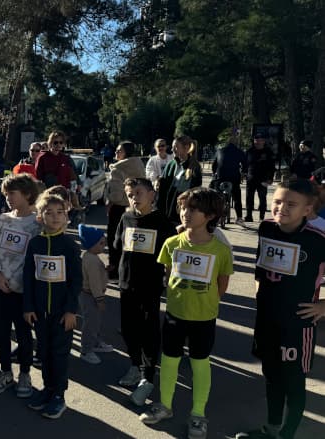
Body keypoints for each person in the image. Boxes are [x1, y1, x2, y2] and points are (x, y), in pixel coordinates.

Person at [140, 188, 233, 439]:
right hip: (174, 314)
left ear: (210, 215)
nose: (185, 213)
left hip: (204, 317)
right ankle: (165, 405)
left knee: (200, 363)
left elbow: (222, 284)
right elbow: (169, 273)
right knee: (169, 360)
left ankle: (198, 414)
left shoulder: (221, 250)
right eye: (183, 208)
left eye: (193, 209)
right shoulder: (172, 243)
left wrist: (206, 302)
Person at [235, 180, 325, 439]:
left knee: (293, 382)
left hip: (297, 324)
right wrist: (258, 291)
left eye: (291, 204)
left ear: (307, 209)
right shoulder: (266, 227)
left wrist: (322, 306)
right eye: (277, 201)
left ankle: (288, 434)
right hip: (267, 319)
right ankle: (271, 428)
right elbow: (260, 266)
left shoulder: (317, 240)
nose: (281, 208)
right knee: (272, 376)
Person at [113, 177, 177, 404]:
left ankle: (147, 375)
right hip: (126, 283)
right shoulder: (126, 217)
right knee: (128, 328)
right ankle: (134, 364)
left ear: (152, 194)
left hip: (149, 286)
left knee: (148, 330)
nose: (134, 198)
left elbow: (171, 255)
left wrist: (168, 280)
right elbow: (118, 245)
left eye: (138, 193)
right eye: (130, 195)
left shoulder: (162, 222)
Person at [23, 193, 82, 419]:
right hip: (39, 312)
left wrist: (70, 310)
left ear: (66, 216)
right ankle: (47, 389)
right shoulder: (35, 243)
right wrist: (28, 307)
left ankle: (59, 394)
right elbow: (28, 276)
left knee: (59, 354)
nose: (55, 217)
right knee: (44, 353)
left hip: (61, 314)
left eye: (60, 212)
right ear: (40, 217)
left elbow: (76, 281)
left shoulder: (69, 245)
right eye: (49, 213)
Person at [0, 173, 41, 397]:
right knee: (0, 331)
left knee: (24, 334)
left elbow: (35, 259)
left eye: (12, 194)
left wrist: (17, 281)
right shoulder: (3, 219)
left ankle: (25, 373)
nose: (8, 198)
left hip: (23, 292)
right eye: (5, 194)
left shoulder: (37, 224)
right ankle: (5, 370)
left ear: (28, 194)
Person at [105, 141, 146, 278]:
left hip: (118, 207)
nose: (116, 153)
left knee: (115, 239)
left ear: (126, 152)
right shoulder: (139, 165)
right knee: (131, 241)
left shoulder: (118, 168)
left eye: (119, 150)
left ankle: (114, 269)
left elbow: (116, 194)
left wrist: (110, 201)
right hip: (136, 206)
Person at [77, 225, 111, 365]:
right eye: (101, 243)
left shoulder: (90, 257)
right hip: (90, 296)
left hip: (91, 295)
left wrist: (106, 270)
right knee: (91, 323)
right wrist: (100, 299)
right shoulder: (91, 260)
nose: (104, 246)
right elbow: (95, 282)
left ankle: (95, 342)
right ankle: (86, 350)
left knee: (95, 321)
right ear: (92, 244)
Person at [157, 135, 203, 224]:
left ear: (186, 148)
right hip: (165, 212)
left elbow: (195, 193)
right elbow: (163, 188)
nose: (172, 150)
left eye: (175, 147)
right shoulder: (171, 164)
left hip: (181, 214)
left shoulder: (194, 167)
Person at [212, 137, 247, 226]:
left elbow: (214, 165)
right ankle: (239, 218)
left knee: (216, 196)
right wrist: (243, 173)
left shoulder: (220, 151)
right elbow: (245, 164)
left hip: (220, 178)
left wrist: (214, 173)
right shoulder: (239, 151)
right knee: (237, 198)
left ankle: (216, 216)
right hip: (234, 178)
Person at [244, 132, 276, 223]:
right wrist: (244, 173)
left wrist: (270, 178)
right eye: (256, 140)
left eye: (260, 140)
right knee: (249, 198)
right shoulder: (249, 151)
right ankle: (249, 216)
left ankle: (261, 217)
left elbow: (272, 167)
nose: (257, 142)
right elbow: (245, 164)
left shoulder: (268, 152)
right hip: (251, 178)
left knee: (262, 199)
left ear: (263, 141)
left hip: (263, 179)